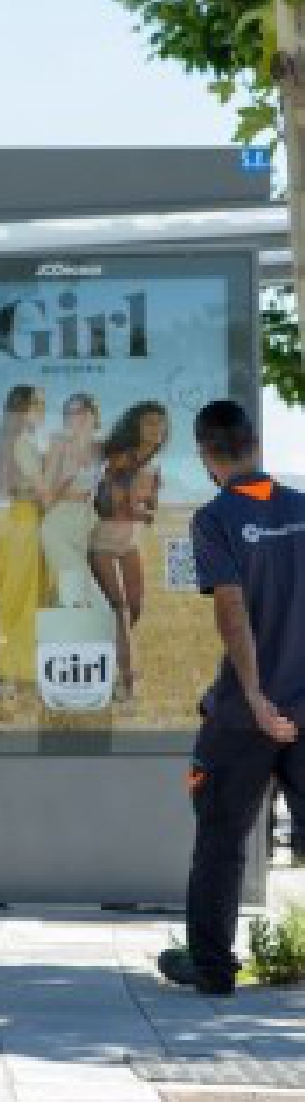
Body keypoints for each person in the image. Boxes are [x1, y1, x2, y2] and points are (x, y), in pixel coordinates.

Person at [157, 400, 305, 996]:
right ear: (254, 446)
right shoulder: (301, 507)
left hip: (245, 716)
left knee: (220, 838)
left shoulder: (216, 518)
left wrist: (255, 698)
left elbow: (230, 607)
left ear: (205, 454)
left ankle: (214, 967)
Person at [90, 401, 169, 704]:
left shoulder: (153, 464)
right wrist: (137, 508)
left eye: (160, 424)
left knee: (135, 609)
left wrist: (150, 502)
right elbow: (108, 506)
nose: (156, 429)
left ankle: (108, 659)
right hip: (104, 541)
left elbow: (149, 512)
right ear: (136, 426)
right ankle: (127, 684)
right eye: (150, 423)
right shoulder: (122, 458)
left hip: (130, 542)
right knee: (120, 610)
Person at [0, 385, 47, 687]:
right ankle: (16, 667)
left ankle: (4, 663)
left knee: (12, 592)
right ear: (24, 411)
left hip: (13, 520)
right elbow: (42, 490)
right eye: (38, 406)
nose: (42, 412)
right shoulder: (24, 443)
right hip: (27, 522)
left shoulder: (8, 443)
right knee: (25, 597)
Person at [40, 393, 103, 611]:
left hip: (83, 524)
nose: (75, 417)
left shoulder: (99, 449)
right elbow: (45, 496)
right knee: (78, 587)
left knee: (77, 591)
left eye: (80, 411)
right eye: (69, 413)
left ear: (93, 414)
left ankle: (75, 639)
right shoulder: (59, 444)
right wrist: (67, 481)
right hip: (58, 524)